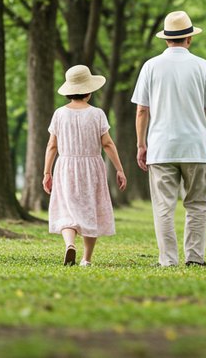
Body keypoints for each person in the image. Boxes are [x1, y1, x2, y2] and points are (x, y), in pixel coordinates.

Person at [132, 10, 206, 267]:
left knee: (163, 207)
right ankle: (195, 258)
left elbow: (142, 110)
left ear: (166, 39)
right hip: (195, 147)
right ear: (189, 39)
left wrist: (142, 144)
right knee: (197, 205)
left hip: (161, 148)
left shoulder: (150, 66)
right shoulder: (202, 66)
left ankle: (168, 260)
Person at [43, 65, 127, 266]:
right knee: (90, 209)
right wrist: (119, 169)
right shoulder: (97, 114)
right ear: (89, 92)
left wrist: (47, 172)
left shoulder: (59, 114)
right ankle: (86, 259)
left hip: (65, 166)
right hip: (92, 167)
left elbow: (52, 145)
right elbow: (107, 143)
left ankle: (70, 244)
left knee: (66, 208)